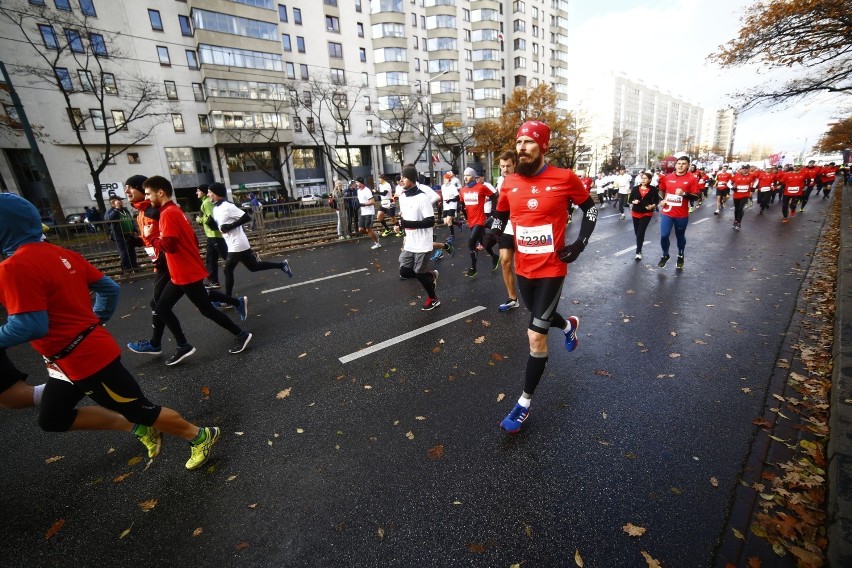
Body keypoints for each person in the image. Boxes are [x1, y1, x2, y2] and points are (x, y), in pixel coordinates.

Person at [0, 193, 220, 470]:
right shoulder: (62, 253)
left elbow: (29, 326)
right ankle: (141, 429)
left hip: (86, 360)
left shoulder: (12, 268)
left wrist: (87, 326)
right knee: (52, 418)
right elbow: (109, 289)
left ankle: (199, 436)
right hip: (67, 360)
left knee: (140, 410)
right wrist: (94, 321)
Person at [485, 121, 597, 434]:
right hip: (524, 268)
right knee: (539, 316)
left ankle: (523, 403)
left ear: (542, 147)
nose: (522, 147)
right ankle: (568, 325)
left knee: (535, 335)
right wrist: (492, 231)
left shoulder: (564, 178)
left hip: (552, 268)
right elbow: (502, 212)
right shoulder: (509, 182)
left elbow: (591, 210)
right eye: (518, 141)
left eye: (529, 142)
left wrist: (579, 245)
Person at [143, 176, 253, 360]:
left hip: (185, 272)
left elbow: (169, 245)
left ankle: (241, 334)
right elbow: (191, 239)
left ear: (160, 192)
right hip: (181, 271)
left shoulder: (168, 214)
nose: (147, 198)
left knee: (206, 309)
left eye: (148, 194)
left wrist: (151, 237)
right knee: (162, 307)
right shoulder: (176, 211)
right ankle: (183, 345)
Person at [207, 183, 293, 299]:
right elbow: (222, 227)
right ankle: (282, 265)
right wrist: (212, 225)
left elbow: (246, 217)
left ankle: (228, 300)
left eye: (210, 192)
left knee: (227, 270)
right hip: (235, 243)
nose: (208, 194)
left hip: (237, 244)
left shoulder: (228, 206)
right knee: (253, 267)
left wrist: (231, 226)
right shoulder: (216, 208)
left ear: (216, 193)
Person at [394, 165, 440, 311]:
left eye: (404, 177)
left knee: (419, 273)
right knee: (404, 271)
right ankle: (431, 276)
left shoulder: (422, 198)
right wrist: (398, 224)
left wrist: (406, 223)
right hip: (410, 241)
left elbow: (430, 221)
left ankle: (433, 298)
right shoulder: (402, 197)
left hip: (423, 242)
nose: (401, 180)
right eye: (401, 177)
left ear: (412, 179)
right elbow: (404, 216)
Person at [657, 153, 700, 269]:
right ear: (675, 165)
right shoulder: (668, 177)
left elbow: (696, 196)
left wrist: (684, 194)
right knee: (664, 235)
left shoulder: (692, 178)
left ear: (688, 166)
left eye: (683, 164)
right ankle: (665, 255)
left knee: (680, 235)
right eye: (679, 164)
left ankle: (680, 254)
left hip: (681, 214)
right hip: (667, 212)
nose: (680, 166)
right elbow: (661, 190)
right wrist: (662, 200)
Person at [460, 167, 498, 277]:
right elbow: (462, 205)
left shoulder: (481, 188)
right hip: (471, 221)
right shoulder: (462, 190)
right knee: (485, 244)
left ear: (473, 176)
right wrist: (465, 215)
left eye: (468, 175)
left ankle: (473, 268)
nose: (465, 177)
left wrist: (493, 211)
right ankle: (494, 256)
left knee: (471, 243)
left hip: (480, 220)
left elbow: (494, 196)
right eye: (464, 175)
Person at [496, 150, 520, 311]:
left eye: (508, 166)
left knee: (523, 265)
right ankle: (512, 298)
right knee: (505, 261)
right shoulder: (500, 181)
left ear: (515, 165)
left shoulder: (522, 179)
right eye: (503, 166)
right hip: (509, 226)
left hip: (524, 227)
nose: (505, 169)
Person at [195, 184, 228, 289]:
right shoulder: (206, 202)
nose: (196, 193)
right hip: (211, 235)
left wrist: (199, 220)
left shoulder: (206, 202)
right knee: (210, 259)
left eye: (198, 190)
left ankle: (249, 257)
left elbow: (212, 218)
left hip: (215, 235)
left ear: (203, 192)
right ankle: (213, 281)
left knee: (226, 256)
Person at [628, 171, 660, 260]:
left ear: (650, 180)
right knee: (637, 233)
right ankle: (640, 243)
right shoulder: (635, 188)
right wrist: (634, 201)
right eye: (642, 178)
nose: (643, 180)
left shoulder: (653, 189)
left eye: (645, 178)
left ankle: (638, 251)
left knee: (640, 232)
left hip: (646, 213)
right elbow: (630, 200)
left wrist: (652, 206)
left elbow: (656, 201)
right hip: (635, 212)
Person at [103, 195, 139, 272]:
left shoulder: (125, 210)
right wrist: (116, 208)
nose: (121, 202)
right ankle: (127, 269)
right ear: (113, 203)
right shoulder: (110, 211)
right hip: (119, 236)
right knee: (124, 253)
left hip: (129, 234)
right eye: (119, 200)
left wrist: (135, 230)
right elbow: (108, 220)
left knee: (132, 252)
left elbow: (131, 220)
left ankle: (135, 267)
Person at [355, 177, 381, 249]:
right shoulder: (358, 191)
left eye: (357, 182)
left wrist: (363, 204)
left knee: (368, 229)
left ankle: (377, 243)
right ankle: (375, 234)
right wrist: (358, 205)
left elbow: (373, 202)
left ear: (361, 182)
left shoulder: (367, 190)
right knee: (361, 229)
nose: (356, 184)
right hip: (363, 212)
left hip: (369, 212)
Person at [730, 164, 757, 230]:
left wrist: (753, 187)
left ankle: (739, 222)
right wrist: (732, 188)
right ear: (741, 169)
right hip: (736, 195)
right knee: (736, 209)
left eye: (746, 168)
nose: (745, 170)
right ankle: (736, 220)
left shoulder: (752, 175)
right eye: (743, 168)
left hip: (745, 195)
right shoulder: (736, 175)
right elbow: (729, 182)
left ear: (749, 169)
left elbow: (757, 180)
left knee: (740, 208)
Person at [440, 172, 461, 243]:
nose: (444, 180)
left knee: (449, 220)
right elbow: (443, 196)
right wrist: (441, 201)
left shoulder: (453, 187)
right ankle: (458, 223)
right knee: (445, 222)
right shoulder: (442, 186)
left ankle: (452, 235)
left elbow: (458, 198)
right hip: (445, 206)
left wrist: (451, 200)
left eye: (446, 179)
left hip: (452, 205)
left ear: (449, 180)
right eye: (444, 179)